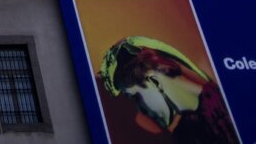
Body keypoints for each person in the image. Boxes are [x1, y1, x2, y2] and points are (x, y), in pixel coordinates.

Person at [99, 36, 239, 144]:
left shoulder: (231, 101)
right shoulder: (184, 133)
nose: (141, 111)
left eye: (136, 98)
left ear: (153, 81)